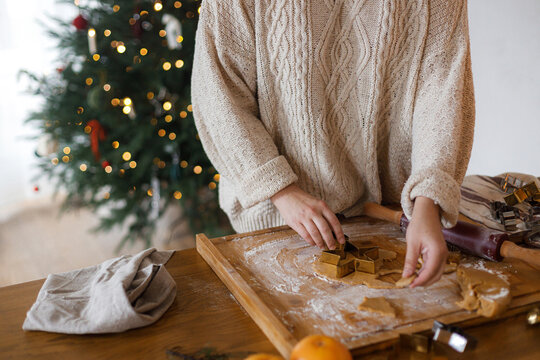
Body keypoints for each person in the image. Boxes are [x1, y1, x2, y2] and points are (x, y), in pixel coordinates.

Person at [191, 0, 474, 288]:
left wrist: (428, 202)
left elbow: (442, 91)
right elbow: (219, 94)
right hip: (276, 218)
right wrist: (280, 190)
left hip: (392, 216)